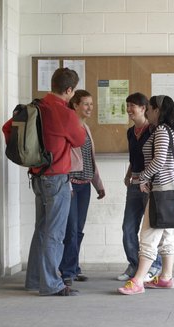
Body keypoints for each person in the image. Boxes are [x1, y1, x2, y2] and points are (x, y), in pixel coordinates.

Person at [2, 67, 85, 296]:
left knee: (41, 229)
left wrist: (29, 153)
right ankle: (51, 284)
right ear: (69, 90)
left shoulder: (35, 107)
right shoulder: (65, 113)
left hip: (38, 177)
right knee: (55, 233)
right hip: (57, 178)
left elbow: (7, 128)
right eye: (72, 91)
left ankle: (35, 280)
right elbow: (79, 139)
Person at [119, 95, 174, 295]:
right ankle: (165, 277)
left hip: (161, 190)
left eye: (151, 109)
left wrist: (143, 177)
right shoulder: (169, 131)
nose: (149, 112)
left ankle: (137, 281)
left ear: (156, 110)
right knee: (165, 235)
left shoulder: (161, 131)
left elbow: (159, 160)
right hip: (169, 189)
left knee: (148, 234)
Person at [58, 90, 105, 286]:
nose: (90, 108)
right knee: (70, 229)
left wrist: (98, 185)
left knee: (78, 230)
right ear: (75, 105)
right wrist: (66, 182)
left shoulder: (85, 128)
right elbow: (64, 158)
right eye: (86, 104)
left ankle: (74, 268)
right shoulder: (69, 127)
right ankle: (67, 272)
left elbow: (89, 160)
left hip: (85, 185)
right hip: (71, 185)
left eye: (91, 104)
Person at [117, 92, 162, 282]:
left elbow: (156, 159)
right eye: (127, 106)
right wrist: (128, 175)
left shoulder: (153, 130)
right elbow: (133, 159)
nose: (129, 110)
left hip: (150, 186)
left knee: (151, 229)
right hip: (134, 184)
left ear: (144, 108)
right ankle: (135, 265)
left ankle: (155, 266)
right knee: (128, 227)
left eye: (132, 106)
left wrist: (146, 178)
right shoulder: (130, 132)